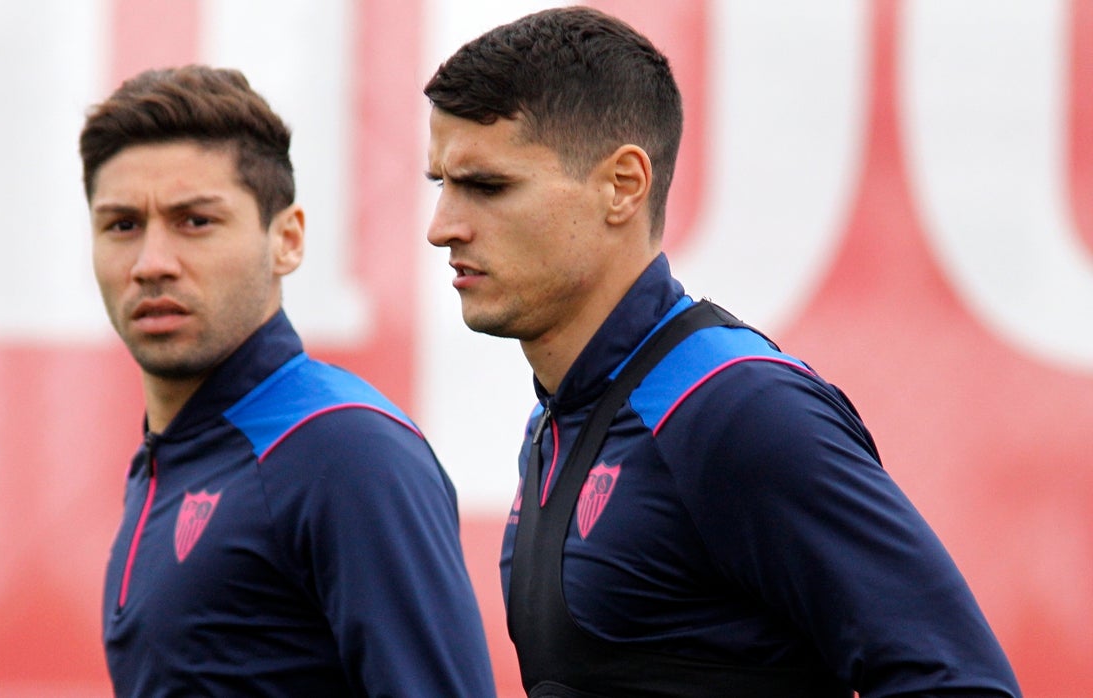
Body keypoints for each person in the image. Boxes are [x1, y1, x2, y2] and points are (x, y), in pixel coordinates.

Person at [423, 7, 1020, 698]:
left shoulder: (736, 409)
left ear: (623, 184)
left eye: (488, 186)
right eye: (441, 184)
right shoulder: (558, 421)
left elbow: (960, 681)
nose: (443, 228)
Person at [80, 65, 496, 697]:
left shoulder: (345, 450)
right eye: (122, 225)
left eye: (195, 221)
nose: (151, 263)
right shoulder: (171, 455)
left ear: (287, 240)